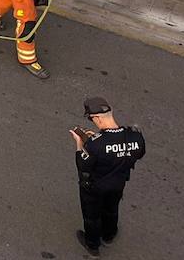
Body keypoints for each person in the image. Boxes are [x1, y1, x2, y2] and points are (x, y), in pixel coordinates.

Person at [70, 96, 146, 256]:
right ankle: (109, 235)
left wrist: (79, 144)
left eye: (91, 119)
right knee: (112, 209)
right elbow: (139, 154)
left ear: (96, 118)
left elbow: (83, 164)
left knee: (92, 216)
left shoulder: (95, 144)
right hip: (118, 183)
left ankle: (92, 245)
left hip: (95, 188)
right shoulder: (135, 137)